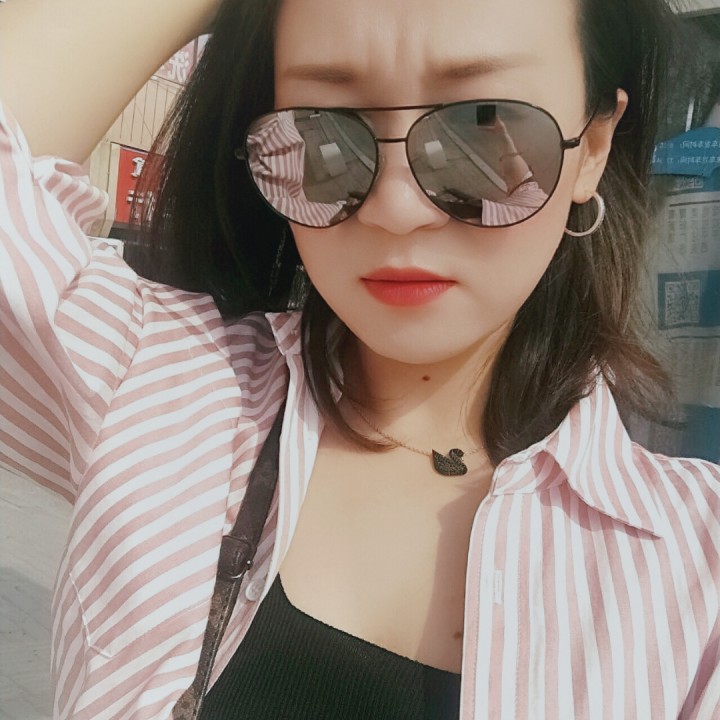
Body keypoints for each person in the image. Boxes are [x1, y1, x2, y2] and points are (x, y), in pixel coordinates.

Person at [0, 0, 719, 718]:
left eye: (483, 125)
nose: (394, 209)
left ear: (592, 147)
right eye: (324, 132)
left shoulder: (700, 568)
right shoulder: (165, 385)